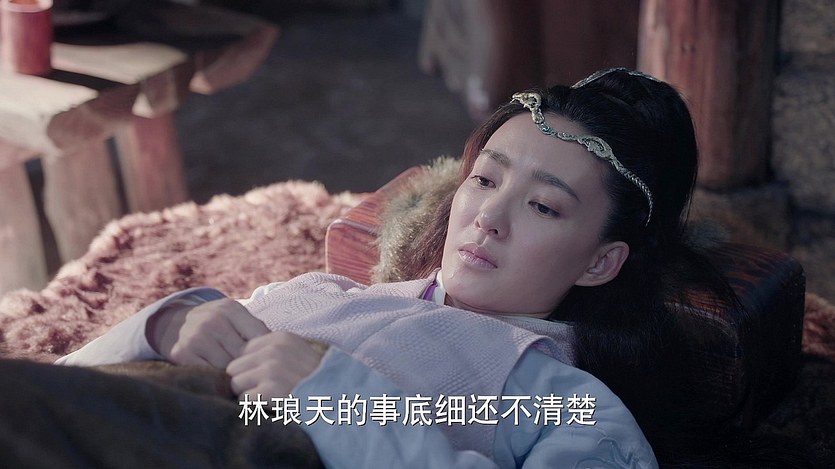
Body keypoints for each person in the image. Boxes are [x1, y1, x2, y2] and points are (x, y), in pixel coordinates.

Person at [56, 68, 729, 468]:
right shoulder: (319, 292)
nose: (488, 218)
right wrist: (164, 326)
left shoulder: (562, 401)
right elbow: (62, 380)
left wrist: (338, 398)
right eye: (484, 179)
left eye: (544, 207)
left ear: (601, 261)